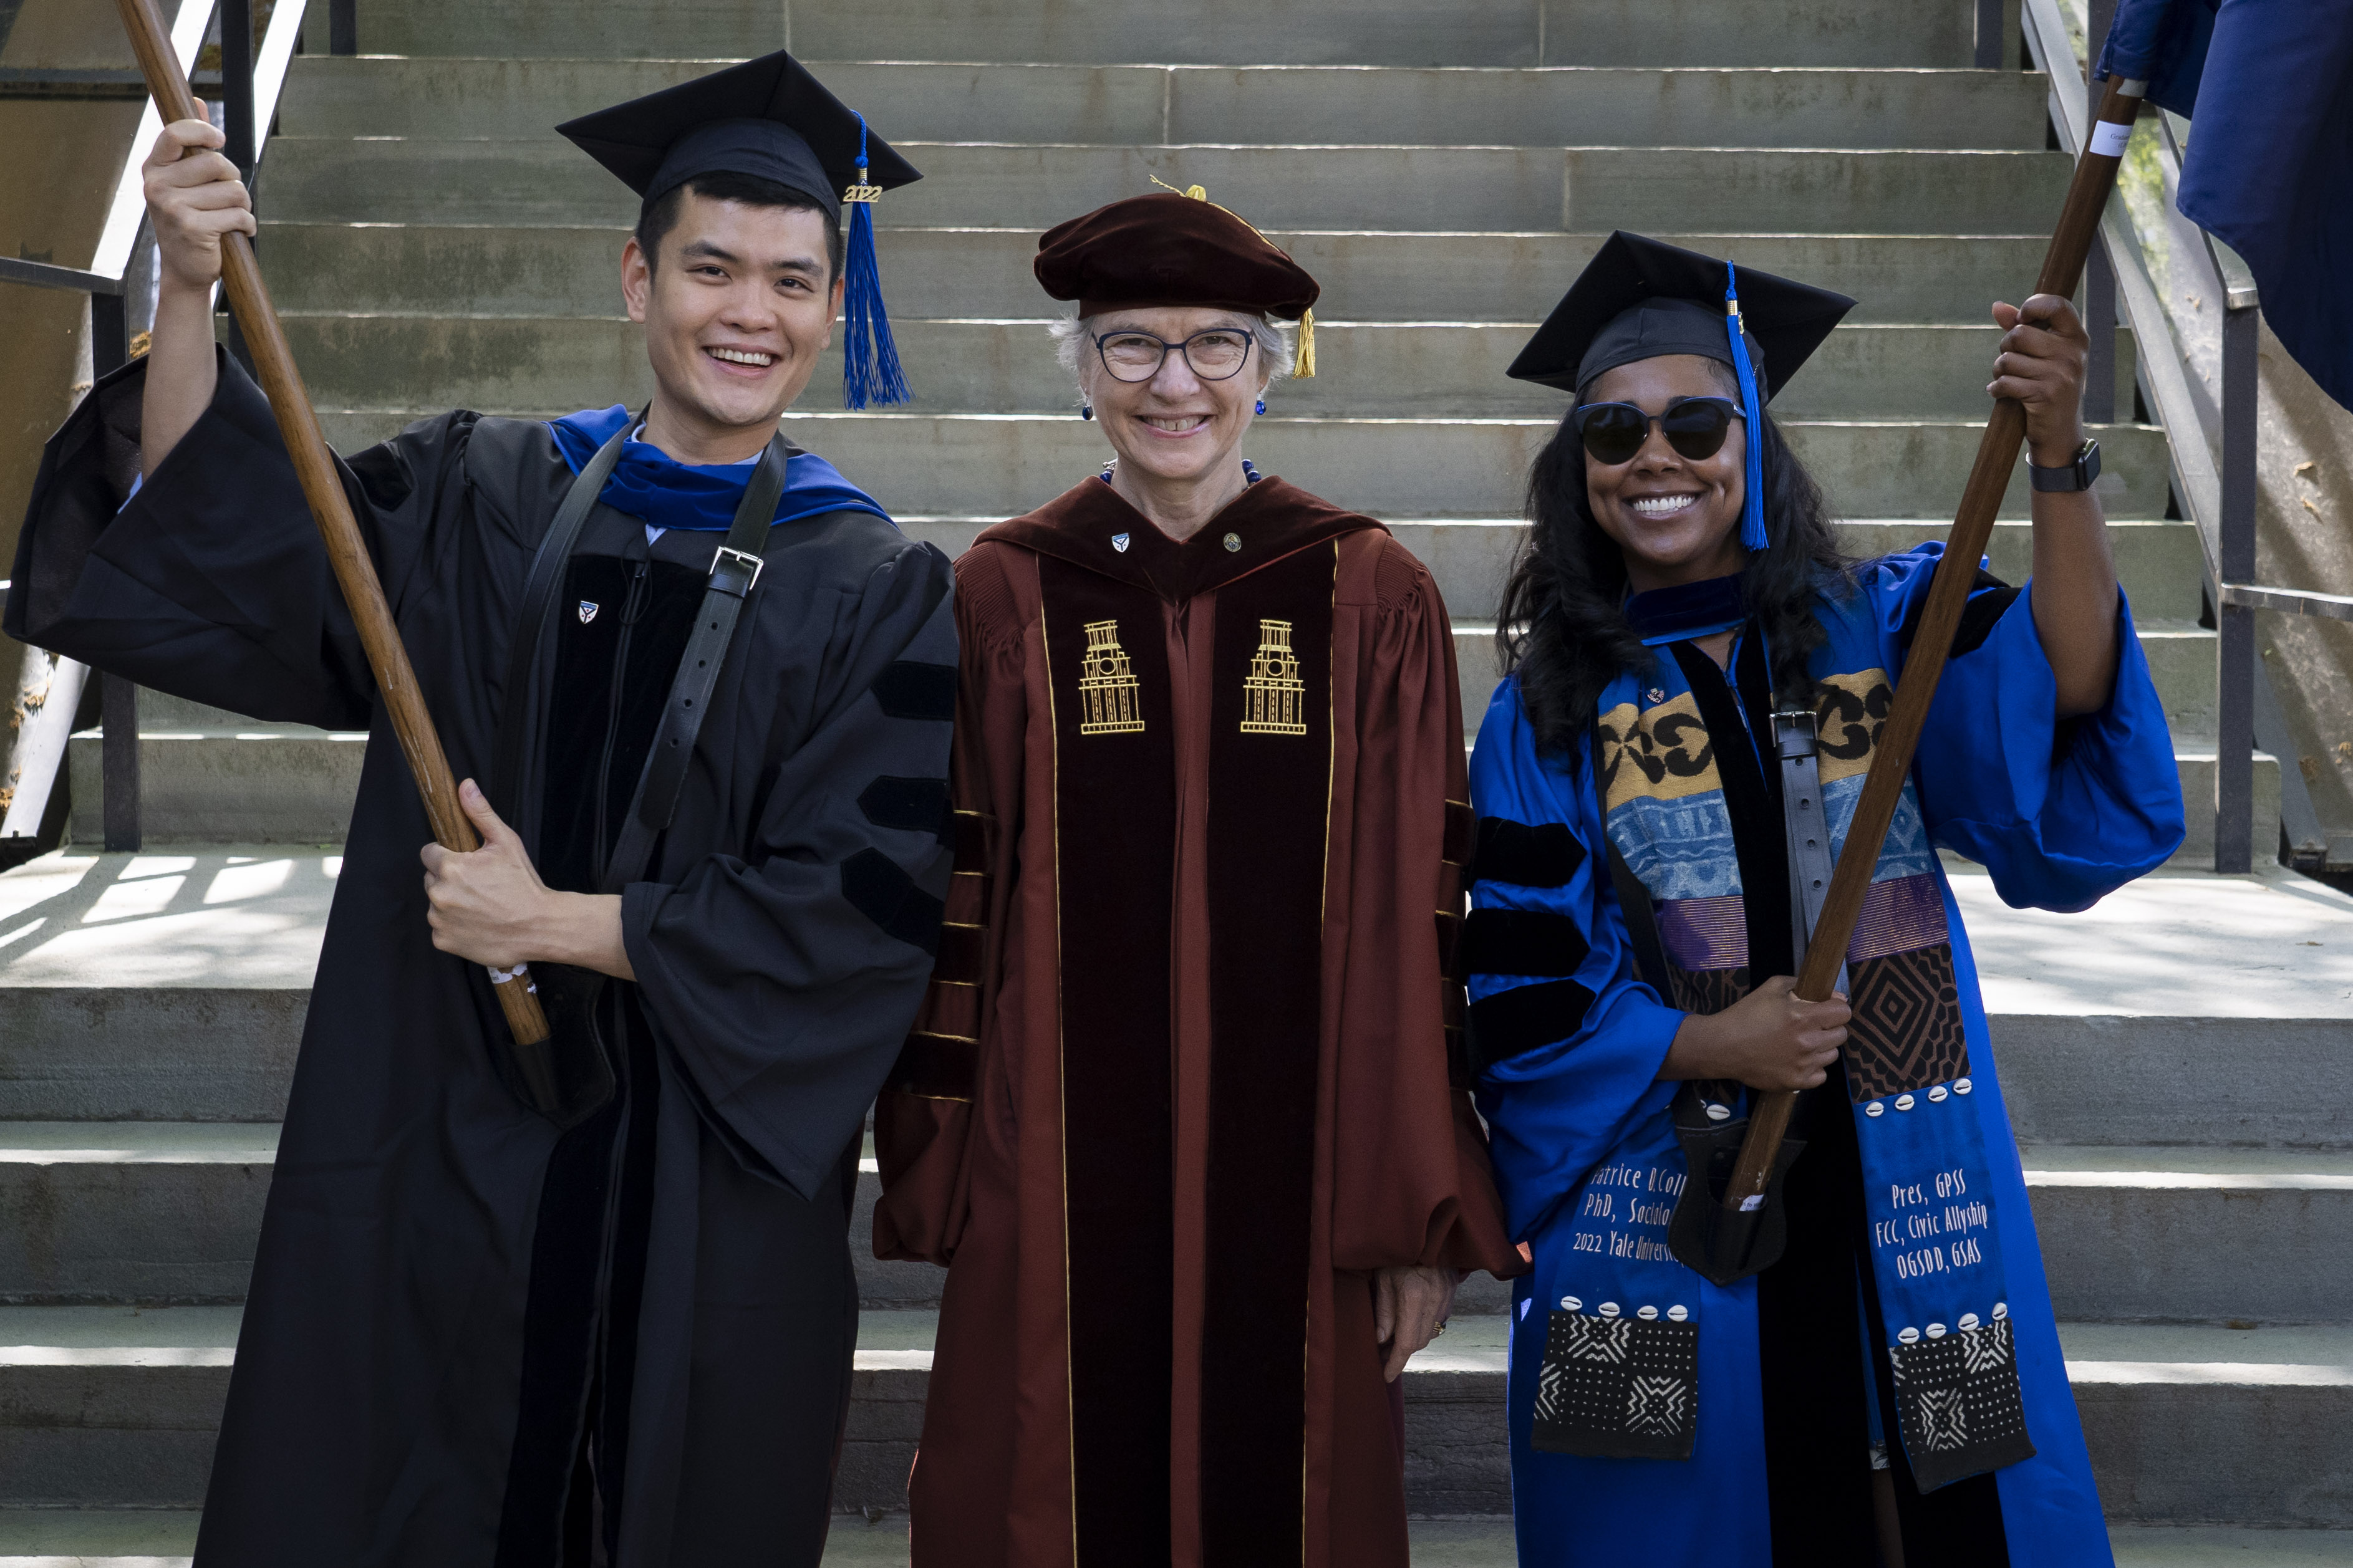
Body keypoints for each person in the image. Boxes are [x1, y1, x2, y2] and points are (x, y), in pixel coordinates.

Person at [7, 52, 952, 1566]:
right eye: (710, 267)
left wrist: (566, 924)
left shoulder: (874, 587)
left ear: (835, 311)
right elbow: (247, 546)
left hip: (698, 1167)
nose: (749, 315)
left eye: (789, 282)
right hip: (443, 1126)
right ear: (636, 276)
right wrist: (185, 289)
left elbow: (866, 901)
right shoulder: (486, 488)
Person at [1464, 232, 2184, 1567]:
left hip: (1911, 1177)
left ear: (1753, 438)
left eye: (1694, 422)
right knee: (1667, 1518)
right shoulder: (1549, 710)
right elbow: (1515, 985)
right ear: (1580, 470)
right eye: (1614, 432)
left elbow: (2069, 683)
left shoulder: (1884, 625)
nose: (1655, 457)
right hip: (1654, 1200)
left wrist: (2058, 458)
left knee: (1947, 1509)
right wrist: (1702, 1040)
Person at [869, 187, 1522, 1567]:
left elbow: (1423, 928)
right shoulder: (1002, 597)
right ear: (1084, 375)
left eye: (1216, 345)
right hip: (1047, 1191)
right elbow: (952, 909)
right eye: (1131, 348)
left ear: (1269, 370)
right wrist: (955, 1170)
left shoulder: (1369, 595)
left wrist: (1414, 1213)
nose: (1175, 384)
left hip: (1309, 1198)